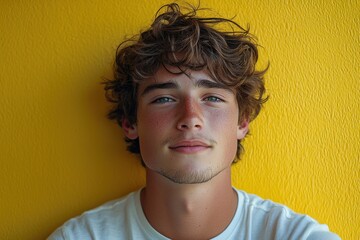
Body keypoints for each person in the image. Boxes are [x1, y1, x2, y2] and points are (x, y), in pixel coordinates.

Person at [48, 3, 340, 240]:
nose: (190, 119)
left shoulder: (297, 236)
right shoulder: (80, 237)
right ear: (130, 123)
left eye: (212, 98)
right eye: (164, 99)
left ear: (243, 120)